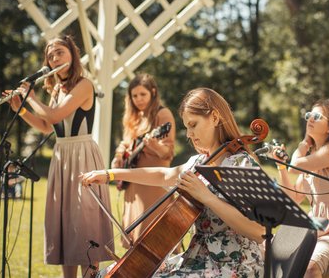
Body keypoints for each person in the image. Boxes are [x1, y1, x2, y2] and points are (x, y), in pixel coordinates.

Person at [81, 88, 264, 277]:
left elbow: (258, 231)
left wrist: (207, 197)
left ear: (215, 118)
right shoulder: (199, 162)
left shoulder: (241, 164)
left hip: (234, 264)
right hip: (197, 258)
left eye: (193, 124)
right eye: (186, 127)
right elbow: (163, 175)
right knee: (107, 274)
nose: (188, 134)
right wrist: (110, 174)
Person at [5, 35, 114, 278]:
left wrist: (30, 98)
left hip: (82, 154)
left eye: (60, 53)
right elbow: (47, 127)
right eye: (50, 55)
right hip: (62, 156)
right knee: (66, 223)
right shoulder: (56, 88)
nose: (54, 59)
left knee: (85, 224)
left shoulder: (85, 85)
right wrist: (21, 110)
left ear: (72, 56)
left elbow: (54, 115)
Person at [270, 99, 329, 278]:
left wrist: (302, 145)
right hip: (312, 228)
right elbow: (294, 197)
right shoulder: (313, 158)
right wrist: (281, 166)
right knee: (266, 251)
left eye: (317, 116)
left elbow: (295, 165)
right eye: (309, 116)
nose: (310, 120)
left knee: (309, 268)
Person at [110, 73, 176, 248]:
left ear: (153, 92)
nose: (138, 99)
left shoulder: (163, 114)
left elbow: (167, 153)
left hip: (153, 185)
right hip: (133, 183)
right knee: (135, 243)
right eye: (134, 95)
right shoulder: (134, 117)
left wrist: (153, 145)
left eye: (143, 94)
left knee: (156, 241)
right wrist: (118, 157)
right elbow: (125, 143)